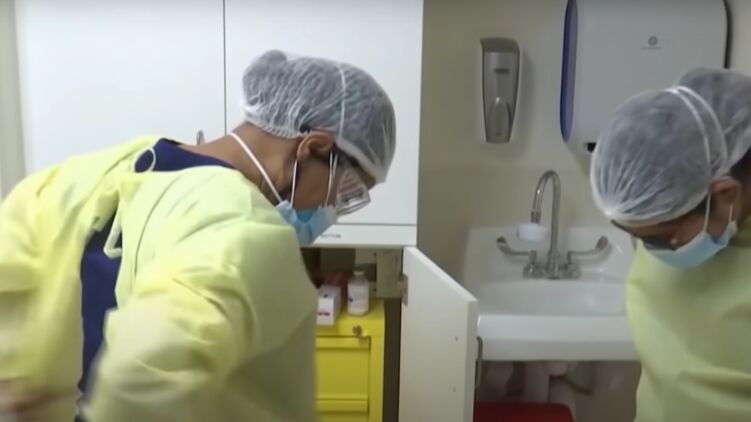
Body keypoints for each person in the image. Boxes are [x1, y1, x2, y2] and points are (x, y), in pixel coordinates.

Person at [0, 50, 396, 422]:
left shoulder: (82, 176)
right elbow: (147, 372)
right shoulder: (247, 231)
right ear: (312, 146)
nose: (333, 209)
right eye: (348, 191)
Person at [590, 68, 751, 421]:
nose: (655, 252)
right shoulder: (673, 225)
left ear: (725, 195)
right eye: (638, 238)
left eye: (660, 237)